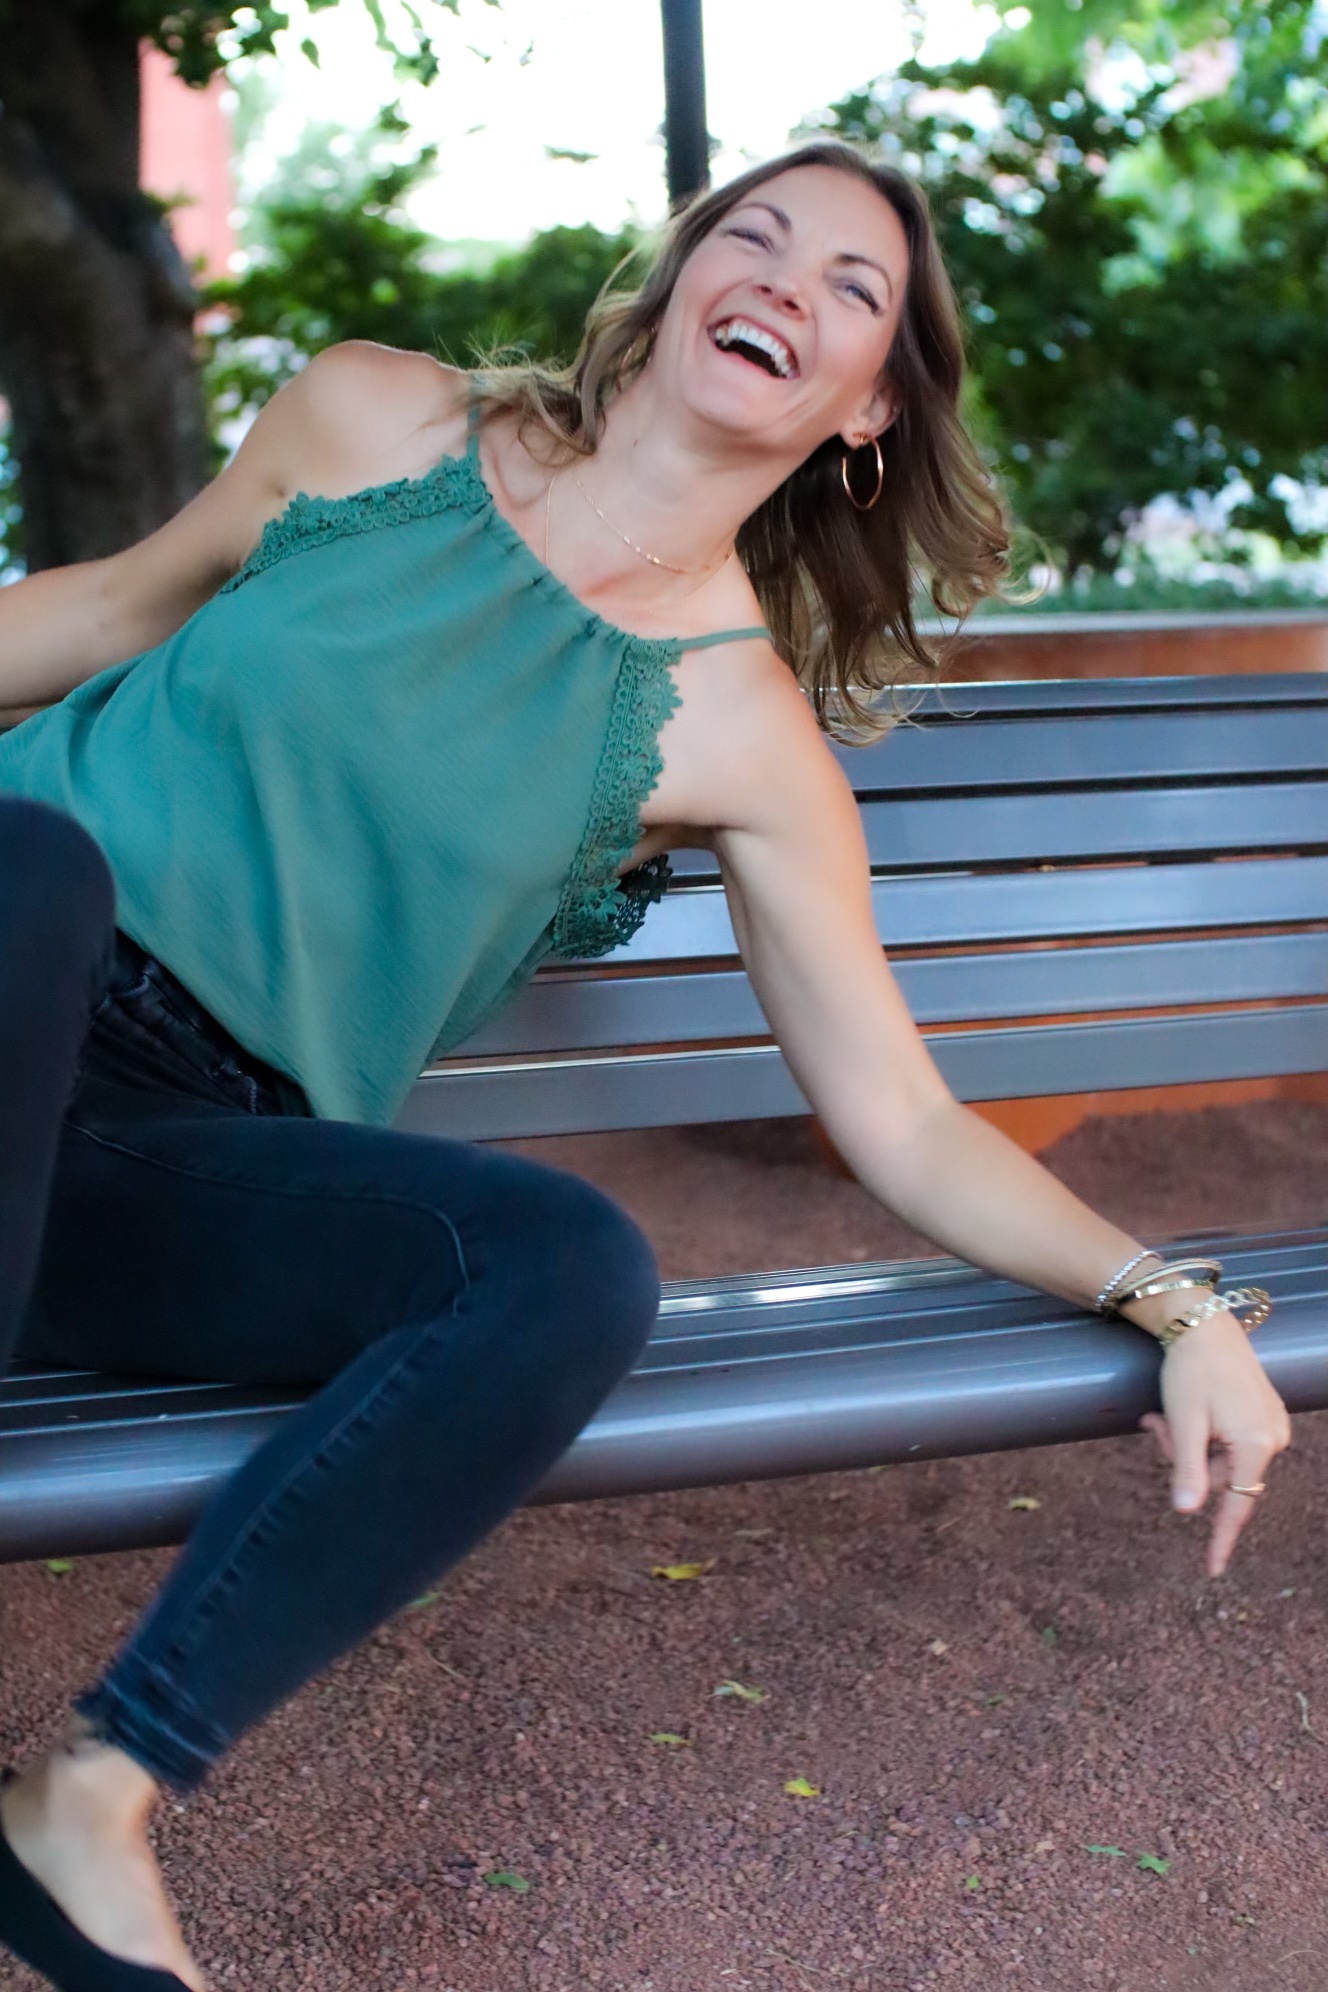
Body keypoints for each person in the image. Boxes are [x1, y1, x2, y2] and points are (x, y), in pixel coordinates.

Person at [0, 139, 1290, 1992]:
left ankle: (94, 1797)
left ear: (869, 407)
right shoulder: (377, 423)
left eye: (850, 286)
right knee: (34, 876)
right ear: (681, 280)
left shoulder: (740, 736)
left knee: (569, 1266)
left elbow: (904, 1118)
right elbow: (113, 610)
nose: (783, 282)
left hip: (159, 1160)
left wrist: (1178, 1301)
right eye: (752, 237)